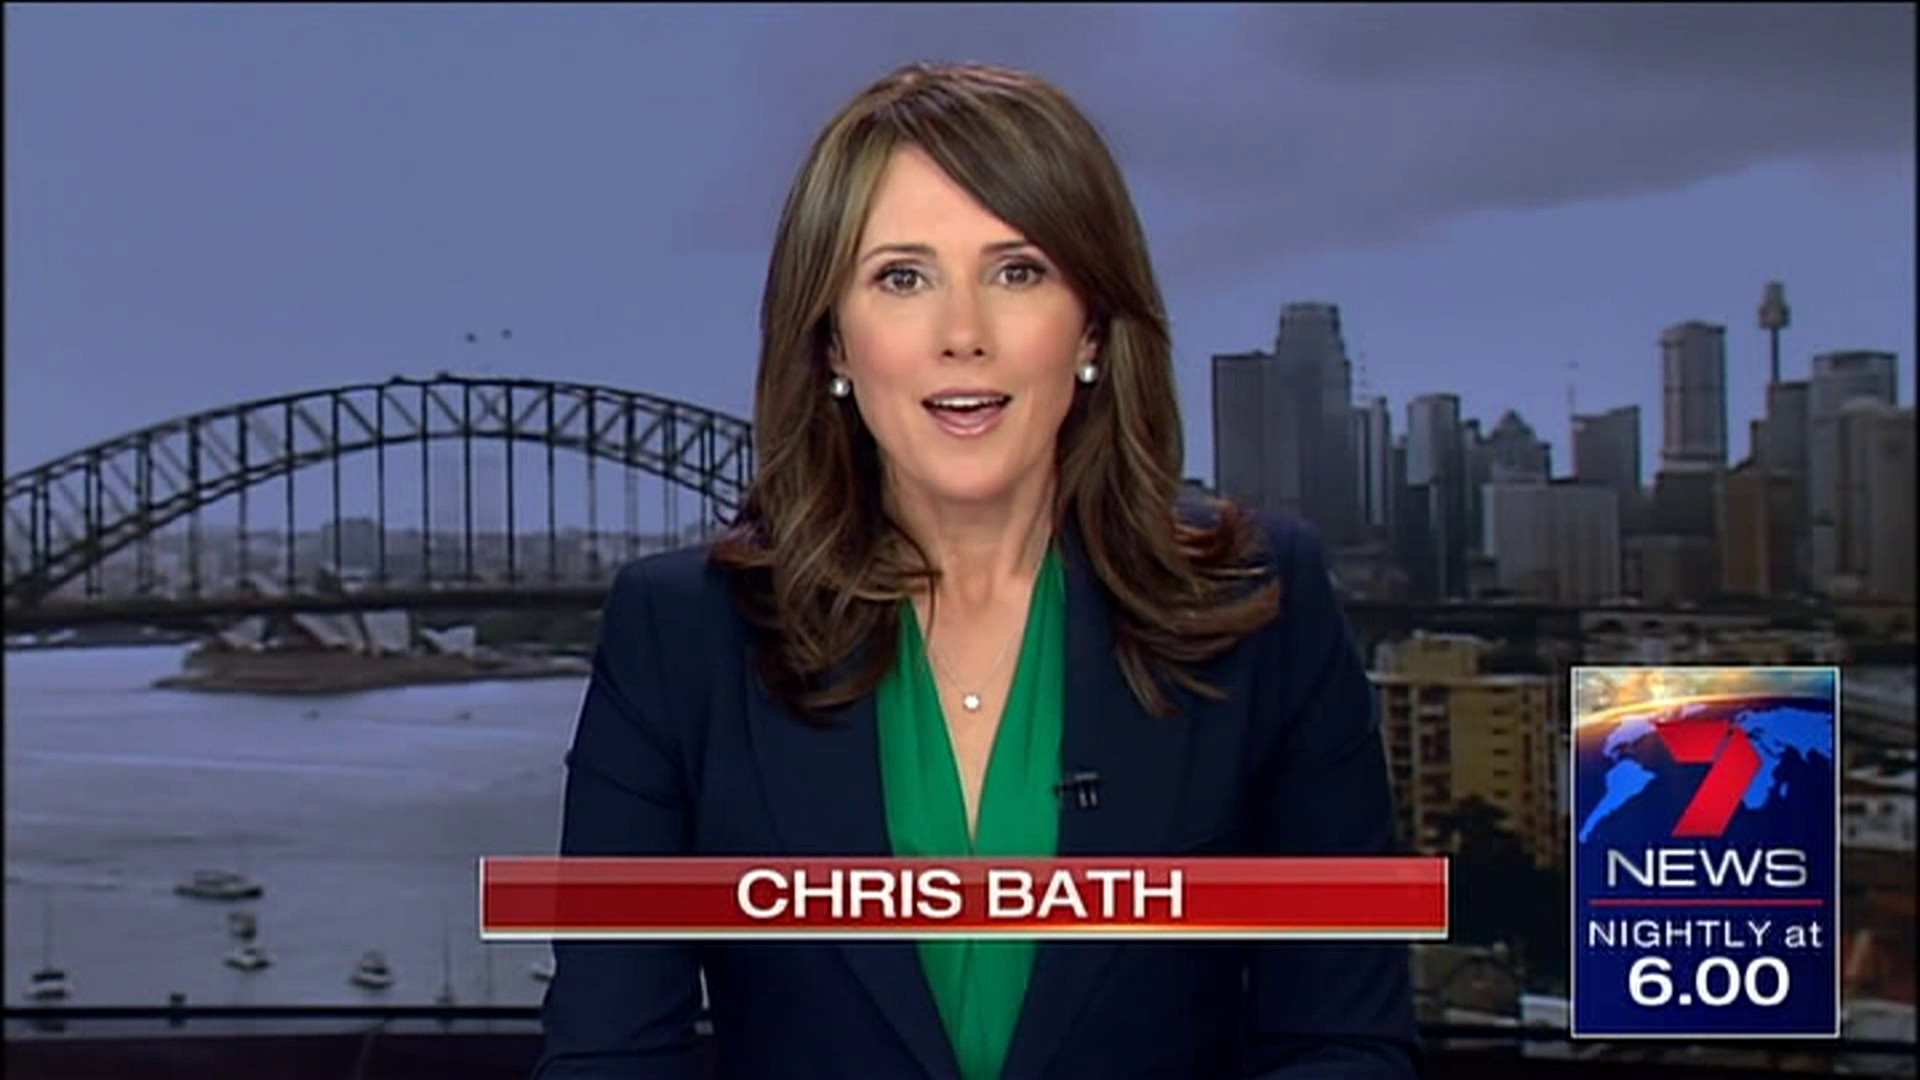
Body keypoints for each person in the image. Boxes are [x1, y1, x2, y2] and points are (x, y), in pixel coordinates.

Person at [536, 60, 1417, 1079]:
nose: (963, 336)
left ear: (1092, 328)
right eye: (902, 279)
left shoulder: (1263, 603)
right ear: (833, 342)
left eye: (1018, 272)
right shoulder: (679, 635)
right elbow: (607, 1056)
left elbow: (1344, 1042)